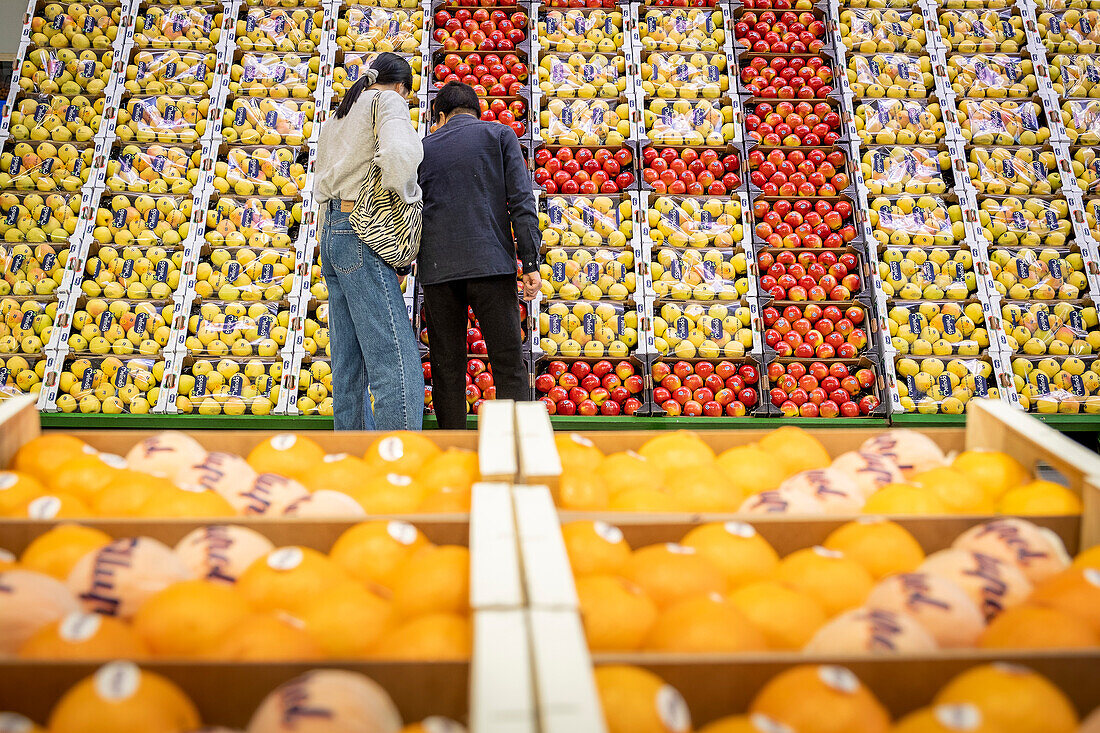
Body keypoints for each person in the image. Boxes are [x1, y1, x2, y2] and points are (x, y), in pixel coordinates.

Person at [418, 81, 541, 429]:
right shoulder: (500, 136)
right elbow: (521, 201)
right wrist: (530, 262)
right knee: (508, 363)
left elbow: (411, 210)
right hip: (491, 265)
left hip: (439, 270)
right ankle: (514, 449)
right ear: (477, 112)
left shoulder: (424, 146)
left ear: (439, 116)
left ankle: (452, 449)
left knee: (447, 366)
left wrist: (403, 263)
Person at [313, 53, 424, 431]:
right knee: (393, 357)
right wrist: (406, 197)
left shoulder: (339, 114)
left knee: (348, 364)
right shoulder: (387, 101)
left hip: (330, 231)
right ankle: (401, 459)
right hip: (362, 232)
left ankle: (353, 454)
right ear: (399, 86)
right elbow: (398, 154)